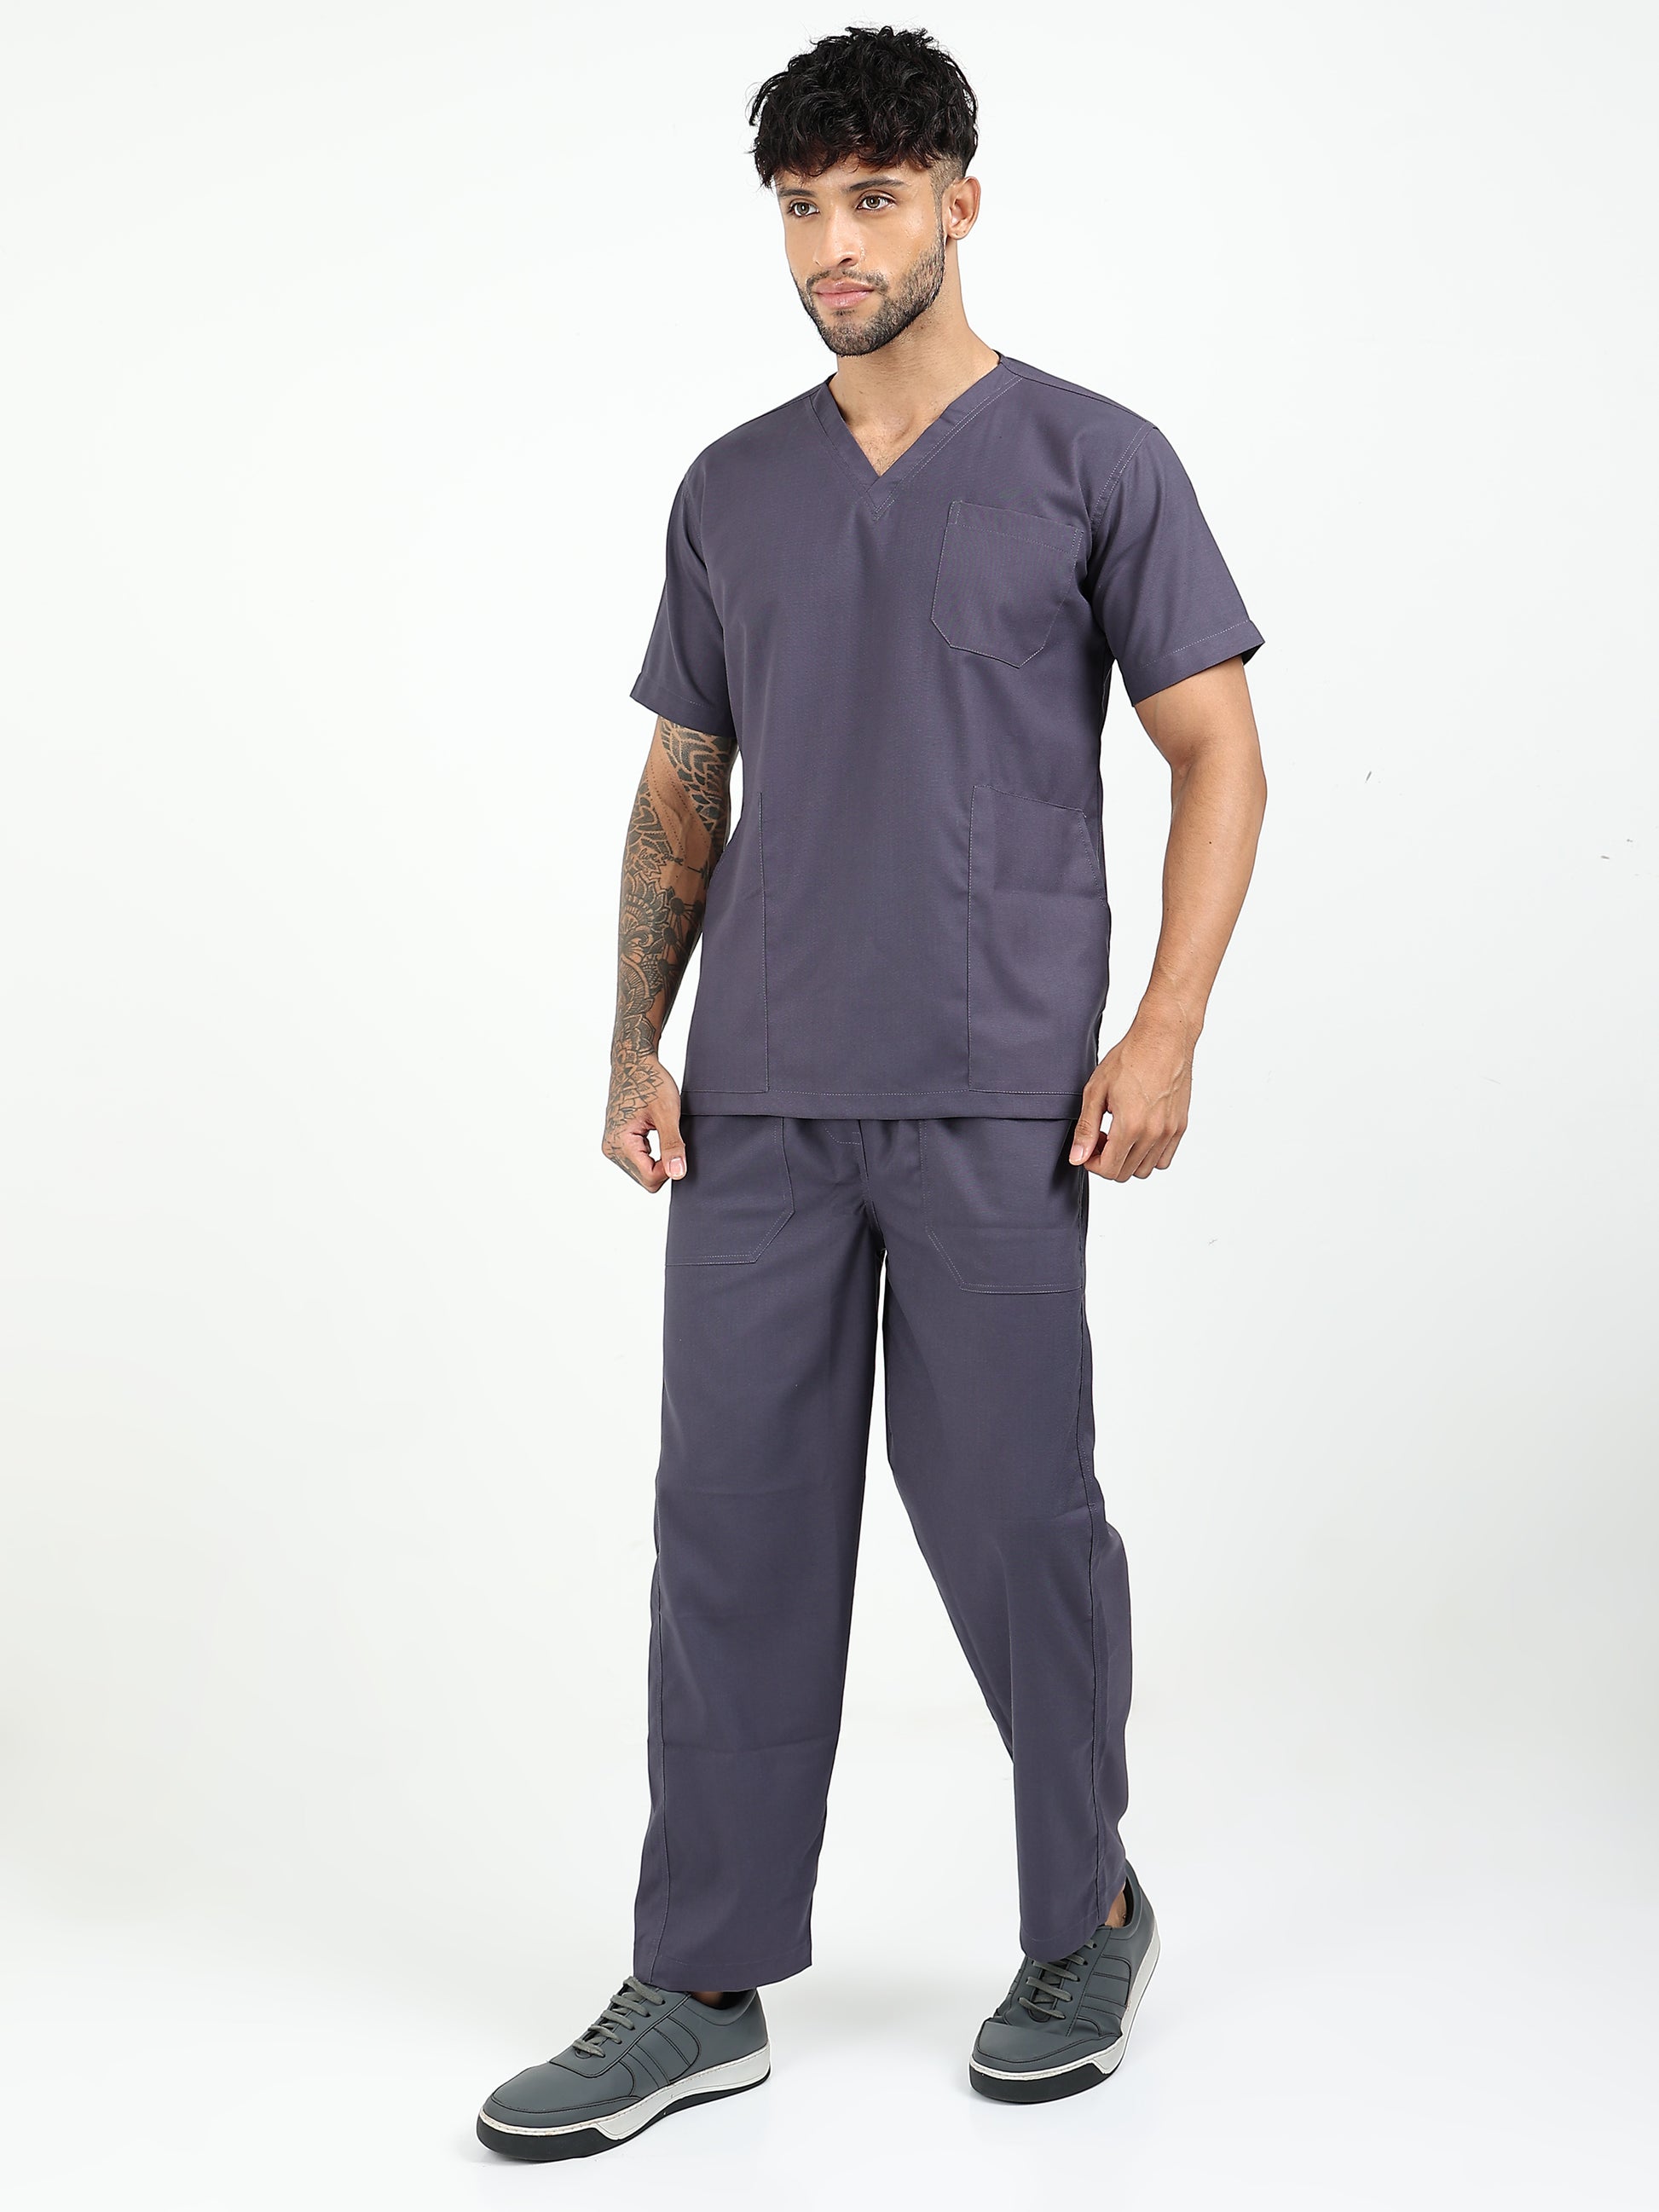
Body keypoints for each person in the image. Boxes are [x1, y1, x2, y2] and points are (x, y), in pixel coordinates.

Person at [477, 23, 1267, 2160]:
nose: (835, 243)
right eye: (803, 207)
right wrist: (635, 1039)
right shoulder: (733, 488)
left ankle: (1084, 1909)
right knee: (728, 1533)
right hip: (759, 1103)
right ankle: (700, 1976)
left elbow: (1216, 750)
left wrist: (1166, 1024)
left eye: (875, 198)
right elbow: (685, 775)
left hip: (1000, 1090)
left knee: (1014, 1514)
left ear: (958, 205)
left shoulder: (1094, 460)